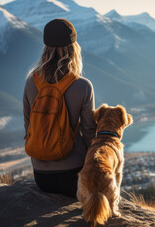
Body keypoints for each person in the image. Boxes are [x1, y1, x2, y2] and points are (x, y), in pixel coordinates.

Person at [23, 19, 96, 198]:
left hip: (41, 176)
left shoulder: (31, 81)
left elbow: (28, 124)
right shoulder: (83, 86)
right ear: (74, 48)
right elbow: (89, 132)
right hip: (73, 175)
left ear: (45, 47)